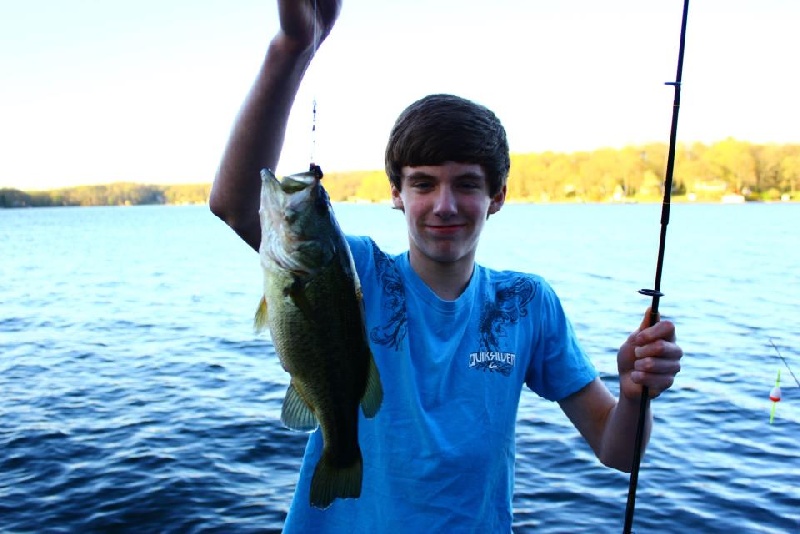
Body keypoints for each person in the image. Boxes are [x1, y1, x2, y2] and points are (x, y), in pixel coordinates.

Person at [210, 1, 683, 531]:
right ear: (396, 193)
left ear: (497, 196)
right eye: (423, 183)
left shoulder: (527, 304)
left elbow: (618, 449)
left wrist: (634, 393)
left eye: (467, 184)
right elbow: (232, 203)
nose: (444, 205)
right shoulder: (353, 273)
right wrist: (292, 48)